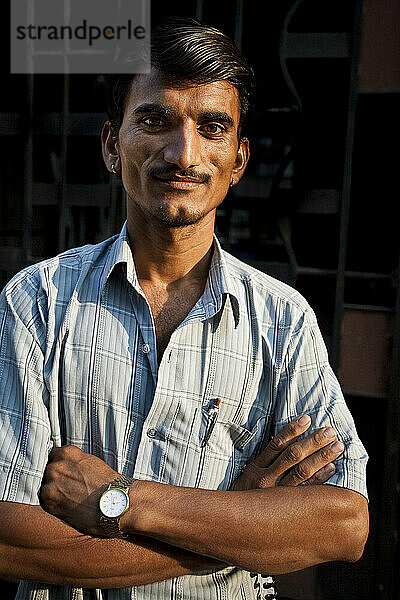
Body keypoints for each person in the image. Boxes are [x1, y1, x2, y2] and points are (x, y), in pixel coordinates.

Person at [0, 16, 368, 600]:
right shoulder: (38, 301)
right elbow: (11, 540)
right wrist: (238, 521)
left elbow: (344, 524)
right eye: (155, 120)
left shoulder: (283, 320)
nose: (183, 153)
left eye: (212, 126)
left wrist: (119, 500)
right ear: (110, 145)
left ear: (239, 160)